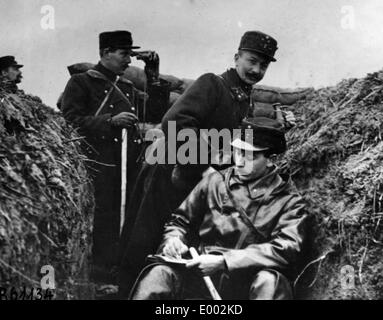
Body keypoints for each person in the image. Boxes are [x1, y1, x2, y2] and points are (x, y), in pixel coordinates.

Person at [118, 30, 296, 297]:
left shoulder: (243, 97)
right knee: (149, 238)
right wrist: (209, 163)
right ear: (237, 57)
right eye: (251, 61)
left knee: (180, 243)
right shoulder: (212, 84)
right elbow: (176, 121)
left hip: (196, 180)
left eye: (264, 65)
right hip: (170, 172)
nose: (257, 70)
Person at [130, 117, 307, 300]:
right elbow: (180, 221)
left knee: (270, 282)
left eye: (250, 156)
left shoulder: (289, 202)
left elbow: (286, 249)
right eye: (238, 152)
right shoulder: (215, 181)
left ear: (272, 159)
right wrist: (173, 239)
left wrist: (224, 261)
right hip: (200, 275)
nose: (239, 162)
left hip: (244, 283)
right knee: (159, 274)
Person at [61, 30, 168, 296]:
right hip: (98, 164)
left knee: (129, 217)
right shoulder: (82, 83)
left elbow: (156, 112)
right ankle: (99, 279)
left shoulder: (129, 88)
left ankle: (121, 276)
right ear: (105, 52)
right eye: (123, 54)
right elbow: (69, 122)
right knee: (104, 219)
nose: (128, 61)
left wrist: (153, 74)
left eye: (130, 55)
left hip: (128, 165)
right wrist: (110, 123)